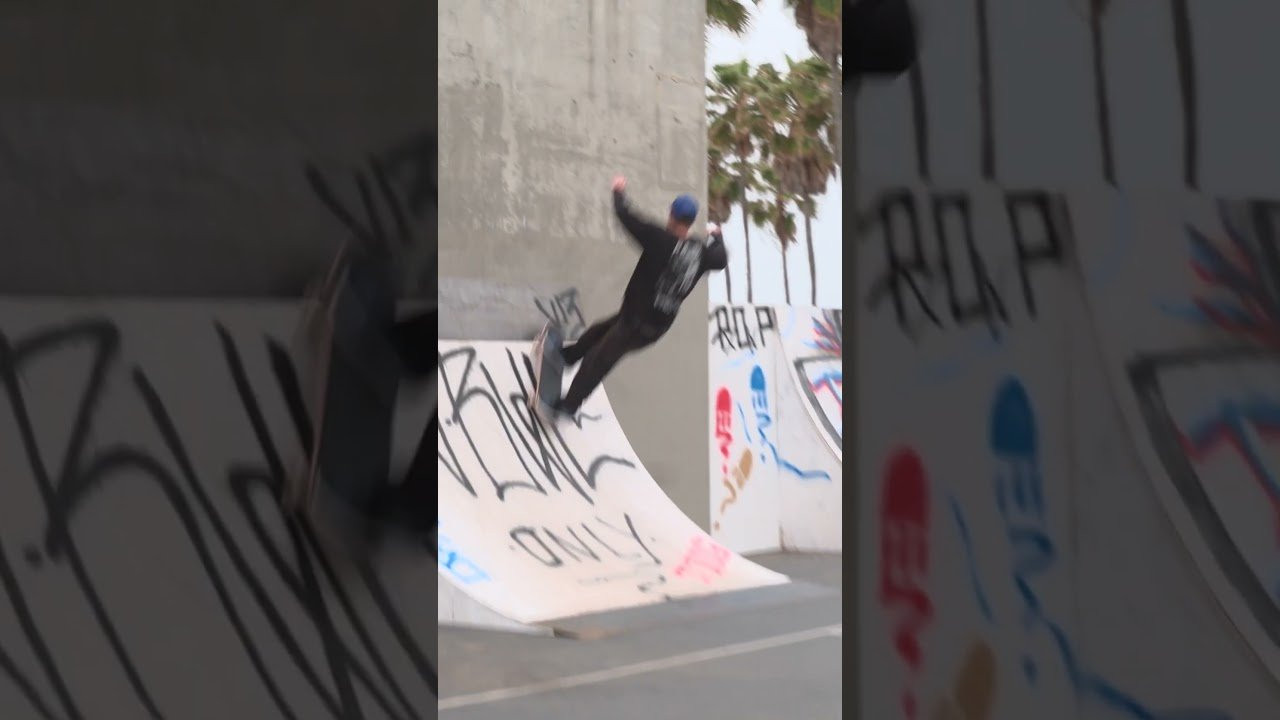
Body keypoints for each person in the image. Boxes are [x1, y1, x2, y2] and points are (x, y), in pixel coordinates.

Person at [533, 175, 728, 421]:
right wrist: (717, 236)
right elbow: (721, 258)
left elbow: (626, 217)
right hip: (652, 325)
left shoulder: (659, 239)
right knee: (599, 331)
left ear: (671, 214)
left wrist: (618, 190)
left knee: (598, 360)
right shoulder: (702, 253)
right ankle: (568, 356)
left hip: (637, 324)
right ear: (690, 222)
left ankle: (569, 406)